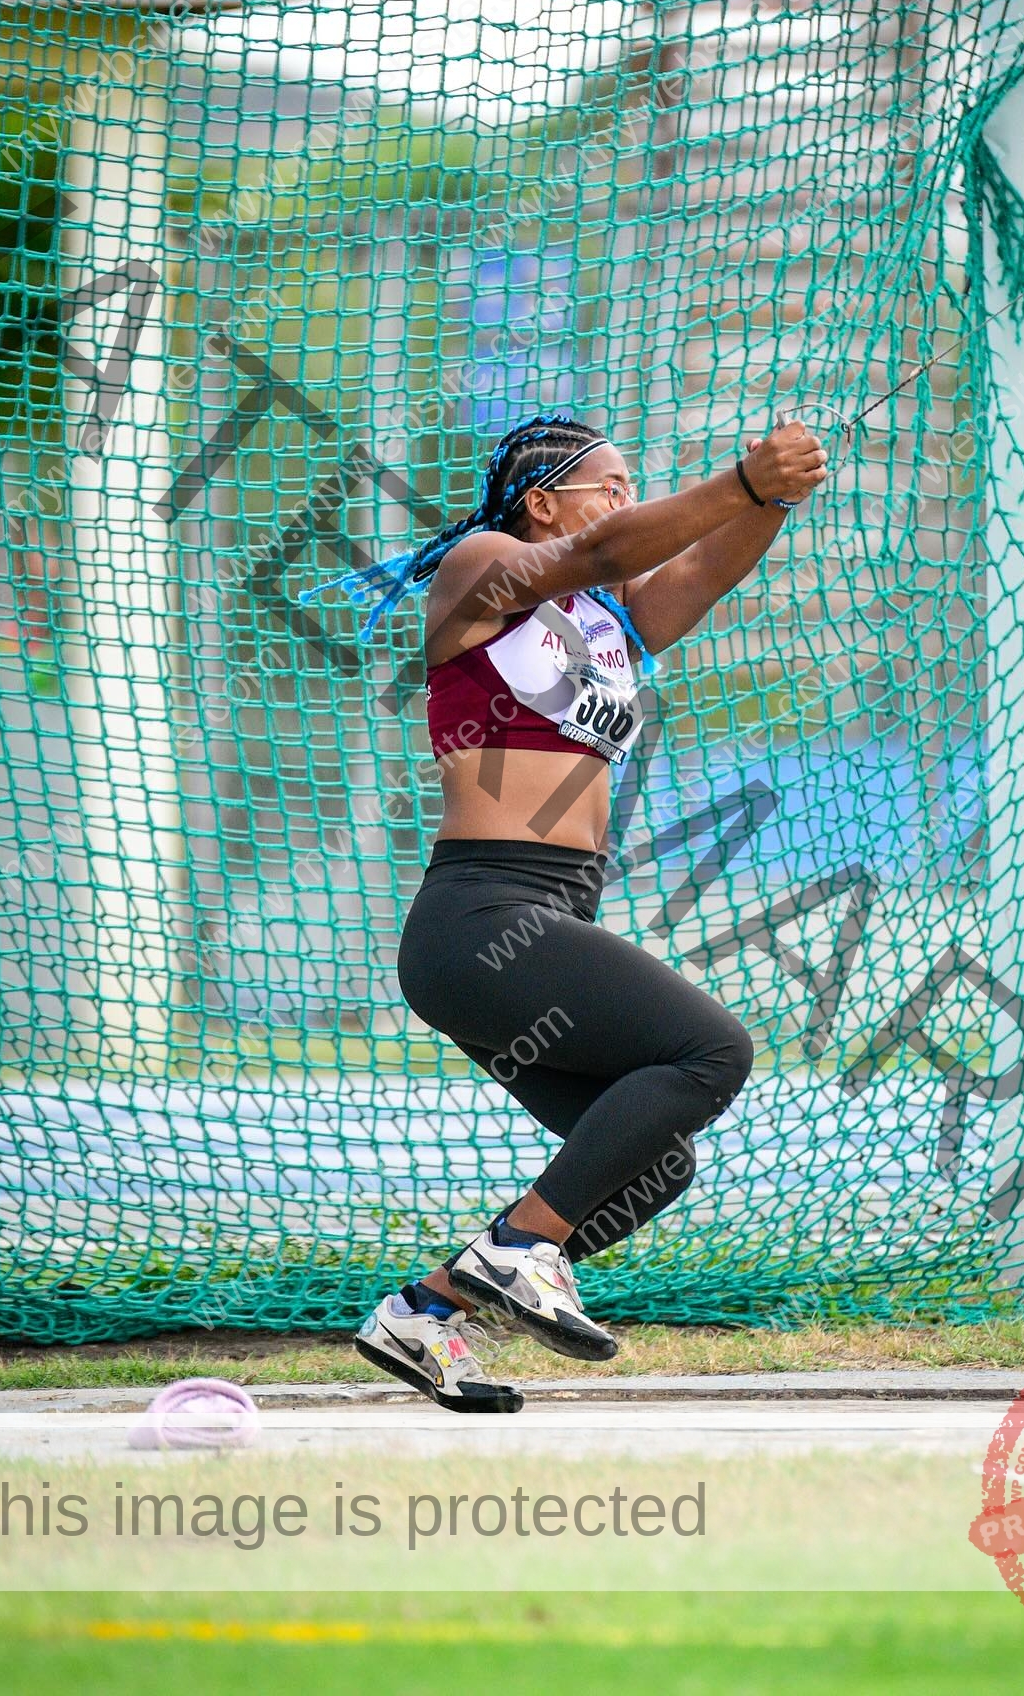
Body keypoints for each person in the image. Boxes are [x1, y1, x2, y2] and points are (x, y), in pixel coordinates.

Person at [307, 413, 826, 1411]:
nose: (627, 500)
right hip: (480, 914)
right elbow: (593, 547)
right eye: (611, 483)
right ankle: (517, 1250)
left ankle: (428, 1313)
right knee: (712, 1052)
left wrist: (773, 495)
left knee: (648, 1165)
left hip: (545, 914)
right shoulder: (484, 565)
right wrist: (736, 478)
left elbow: (707, 570)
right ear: (543, 500)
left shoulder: (606, 617)